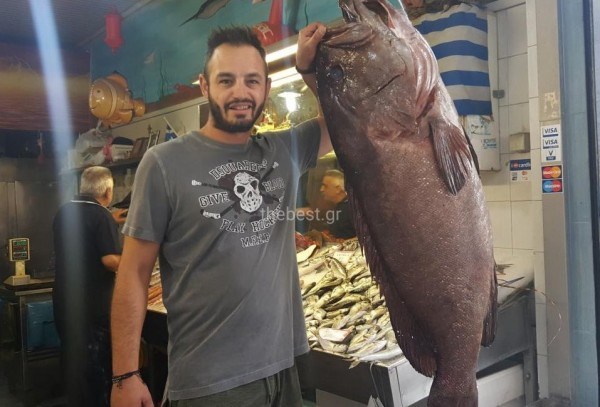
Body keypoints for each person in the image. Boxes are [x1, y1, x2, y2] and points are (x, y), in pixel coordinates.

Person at [110, 23, 330, 407]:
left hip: (283, 370)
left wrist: (309, 71)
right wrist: (125, 375)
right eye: (226, 80)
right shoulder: (163, 163)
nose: (240, 92)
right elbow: (133, 273)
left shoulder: (283, 150)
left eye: (252, 81)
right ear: (204, 86)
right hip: (210, 384)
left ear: (266, 88)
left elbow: (340, 127)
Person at [52, 166, 126, 407]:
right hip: (93, 309)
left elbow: (85, 234)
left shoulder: (64, 212)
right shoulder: (101, 216)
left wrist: (110, 219)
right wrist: (135, 262)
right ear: (107, 192)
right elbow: (110, 260)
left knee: (76, 366)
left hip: (65, 303)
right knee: (98, 370)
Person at [319, 169, 356, 239]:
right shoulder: (341, 207)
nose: (321, 189)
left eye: (325, 186)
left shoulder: (352, 209)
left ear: (338, 189)